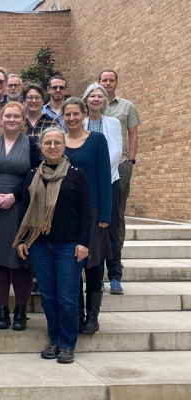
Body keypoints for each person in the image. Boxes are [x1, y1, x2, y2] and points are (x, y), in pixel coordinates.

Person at [14, 127, 92, 364]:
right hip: (40, 246)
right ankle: (55, 339)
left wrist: (83, 242)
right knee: (48, 296)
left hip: (69, 245)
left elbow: (87, 211)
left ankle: (68, 344)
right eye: (48, 143)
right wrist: (21, 240)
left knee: (67, 297)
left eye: (57, 142)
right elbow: (24, 210)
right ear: (41, 147)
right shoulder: (32, 175)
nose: (53, 147)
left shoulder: (77, 174)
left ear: (64, 145)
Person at [0, 102, 41, 331]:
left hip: (21, 207)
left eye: (16, 116)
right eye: (7, 116)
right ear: (0, 120)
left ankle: (21, 311)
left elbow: (36, 174)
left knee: (21, 260)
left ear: (23, 120)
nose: (11, 120)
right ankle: (2, 310)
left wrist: (14, 195)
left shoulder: (32, 146)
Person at [62, 97, 112, 336]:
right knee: (72, 265)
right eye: (67, 114)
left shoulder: (97, 140)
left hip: (92, 212)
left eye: (75, 114)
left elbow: (105, 176)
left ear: (83, 115)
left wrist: (105, 212)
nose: (71, 118)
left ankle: (92, 317)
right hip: (65, 213)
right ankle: (78, 314)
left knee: (93, 265)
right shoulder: (58, 141)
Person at [83, 83, 123, 295]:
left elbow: (115, 152)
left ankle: (115, 275)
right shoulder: (80, 122)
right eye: (92, 96)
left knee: (111, 230)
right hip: (85, 186)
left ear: (105, 101)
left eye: (100, 96)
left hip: (109, 182)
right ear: (86, 100)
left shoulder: (114, 123)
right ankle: (94, 275)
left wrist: (99, 174)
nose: (96, 99)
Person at [99, 70, 141, 265]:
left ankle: (116, 254)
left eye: (111, 80)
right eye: (104, 80)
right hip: (96, 165)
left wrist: (131, 160)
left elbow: (133, 133)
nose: (107, 83)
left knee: (118, 210)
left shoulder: (127, 106)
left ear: (116, 83)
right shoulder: (92, 104)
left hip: (121, 164)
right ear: (98, 82)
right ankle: (98, 250)